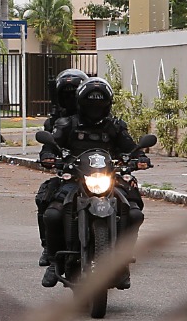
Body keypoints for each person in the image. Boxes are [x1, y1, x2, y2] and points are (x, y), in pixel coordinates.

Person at [38, 77, 145, 288]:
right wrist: (48, 156)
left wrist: (140, 158)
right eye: (90, 104)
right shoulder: (66, 124)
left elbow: (131, 148)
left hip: (109, 178)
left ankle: (123, 261)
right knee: (52, 214)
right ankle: (54, 261)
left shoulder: (115, 126)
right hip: (75, 178)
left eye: (100, 104)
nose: (95, 108)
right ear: (80, 103)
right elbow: (50, 146)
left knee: (134, 213)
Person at [34, 68, 89, 268]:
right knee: (47, 201)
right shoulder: (58, 122)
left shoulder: (103, 119)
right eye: (66, 94)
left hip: (101, 173)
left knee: (132, 205)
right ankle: (50, 252)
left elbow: (123, 143)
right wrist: (48, 156)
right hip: (72, 174)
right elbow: (50, 144)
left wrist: (134, 157)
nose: (70, 98)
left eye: (74, 93)